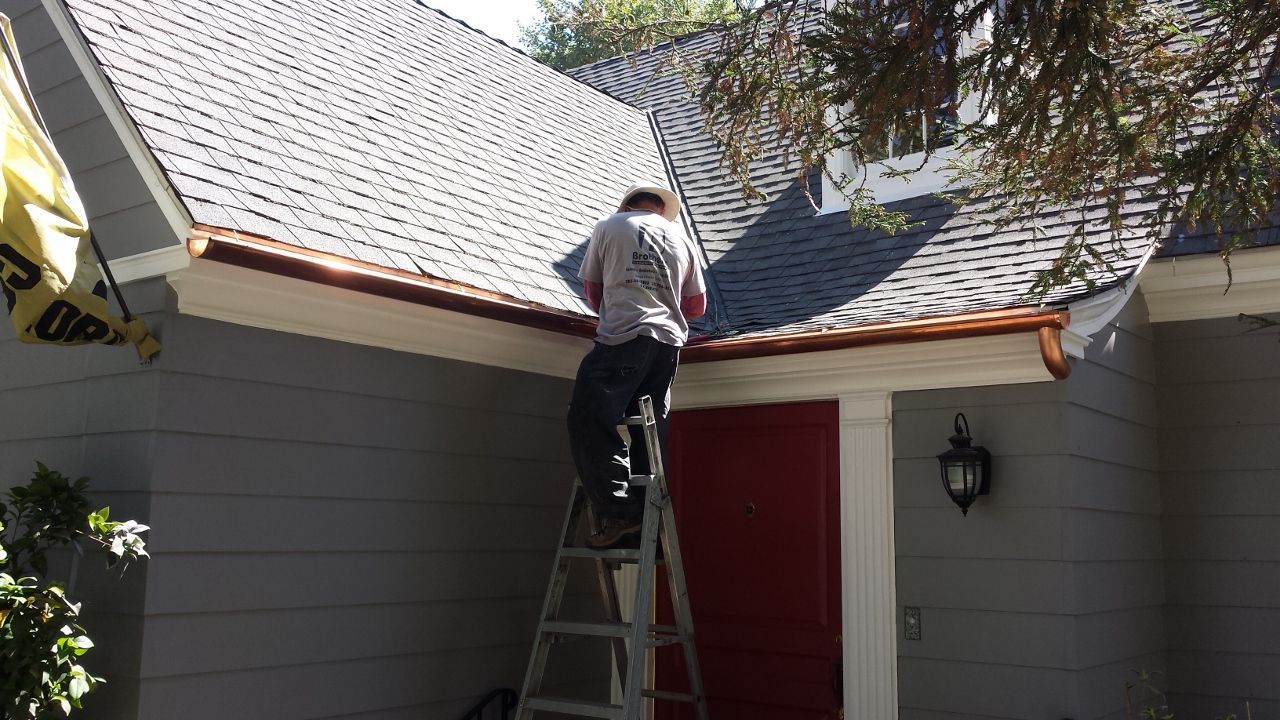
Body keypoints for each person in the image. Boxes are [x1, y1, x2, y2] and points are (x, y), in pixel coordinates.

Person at [568, 182, 707, 549]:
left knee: (587, 417)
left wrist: (625, 303)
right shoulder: (683, 240)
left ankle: (620, 513)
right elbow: (695, 307)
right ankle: (648, 520)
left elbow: (593, 291)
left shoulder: (610, 226)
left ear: (627, 205)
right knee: (649, 433)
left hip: (624, 338)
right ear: (661, 209)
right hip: (668, 347)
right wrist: (662, 296)